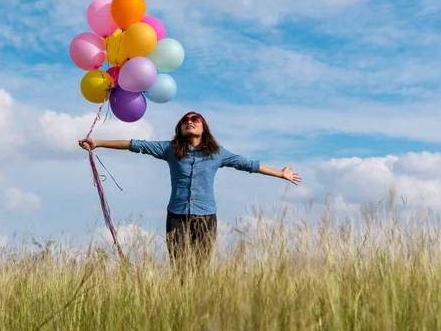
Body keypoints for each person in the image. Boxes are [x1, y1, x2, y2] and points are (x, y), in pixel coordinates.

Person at [78, 111, 301, 269]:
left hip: (206, 217)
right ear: (180, 128)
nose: (189, 122)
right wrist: (98, 142)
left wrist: (281, 173)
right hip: (177, 217)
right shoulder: (169, 149)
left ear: (204, 127)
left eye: (195, 119)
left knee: (200, 268)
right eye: (185, 120)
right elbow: (136, 144)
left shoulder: (217, 153)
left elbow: (248, 165)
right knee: (181, 268)